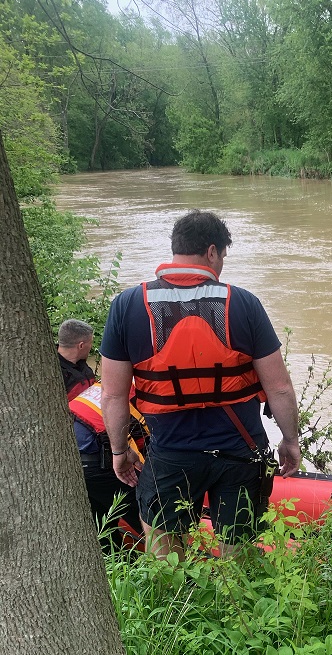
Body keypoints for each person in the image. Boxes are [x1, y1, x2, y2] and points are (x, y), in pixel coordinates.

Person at [99, 209, 301, 557]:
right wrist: (290, 440)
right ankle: (235, 591)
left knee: (166, 559)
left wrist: (119, 451)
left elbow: (113, 394)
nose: (221, 264)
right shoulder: (244, 303)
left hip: (170, 454)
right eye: (222, 256)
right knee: (238, 558)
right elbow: (279, 387)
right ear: (211, 252)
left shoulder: (127, 305)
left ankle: (178, 593)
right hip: (239, 453)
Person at [69, 382, 146, 548]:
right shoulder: (143, 395)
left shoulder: (110, 382)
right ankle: (173, 555)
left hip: (69, 457)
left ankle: (117, 560)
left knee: (102, 523)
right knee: (148, 514)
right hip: (97, 459)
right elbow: (146, 446)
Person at [57, 319, 95, 398]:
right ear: (81, 346)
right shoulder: (56, 374)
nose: (91, 347)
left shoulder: (81, 363)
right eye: (91, 343)